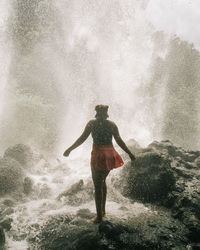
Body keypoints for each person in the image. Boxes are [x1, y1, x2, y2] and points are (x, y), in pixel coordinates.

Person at [63, 105, 136, 223]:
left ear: (96, 113)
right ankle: (102, 210)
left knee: (97, 185)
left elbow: (82, 139)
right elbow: (119, 141)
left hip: (99, 155)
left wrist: (70, 149)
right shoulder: (112, 125)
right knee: (102, 181)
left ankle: (99, 218)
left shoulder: (92, 123)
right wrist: (130, 153)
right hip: (110, 154)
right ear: (106, 113)